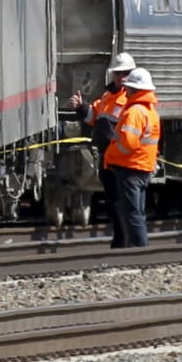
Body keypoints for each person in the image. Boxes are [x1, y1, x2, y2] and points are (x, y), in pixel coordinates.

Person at [67, 52, 134, 247]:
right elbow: (94, 116)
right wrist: (81, 108)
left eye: (125, 73)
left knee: (123, 202)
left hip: (121, 158)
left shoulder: (129, 97)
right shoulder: (108, 94)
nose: (121, 77)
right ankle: (121, 240)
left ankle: (125, 242)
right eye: (118, 73)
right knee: (113, 201)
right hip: (107, 156)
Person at [106, 67, 161, 249]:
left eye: (128, 88)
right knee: (138, 212)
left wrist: (112, 152)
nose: (126, 91)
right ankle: (139, 247)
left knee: (132, 213)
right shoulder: (150, 112)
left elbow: (128, 143)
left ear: (133, 90)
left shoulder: (134, 112)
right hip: (143, 167)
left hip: (130, 167)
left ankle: (138, 250)